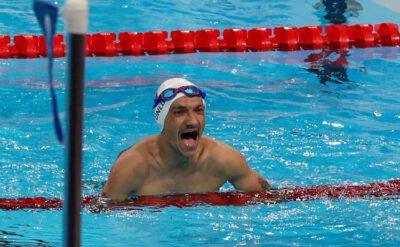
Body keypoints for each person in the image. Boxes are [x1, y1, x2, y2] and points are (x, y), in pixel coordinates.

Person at [100, 78, 276, 201]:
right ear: (162, 120)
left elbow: (270, 198)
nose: (192, 121)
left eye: (198, 110)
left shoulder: (225, 159)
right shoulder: (132, 166)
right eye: (179, 112)